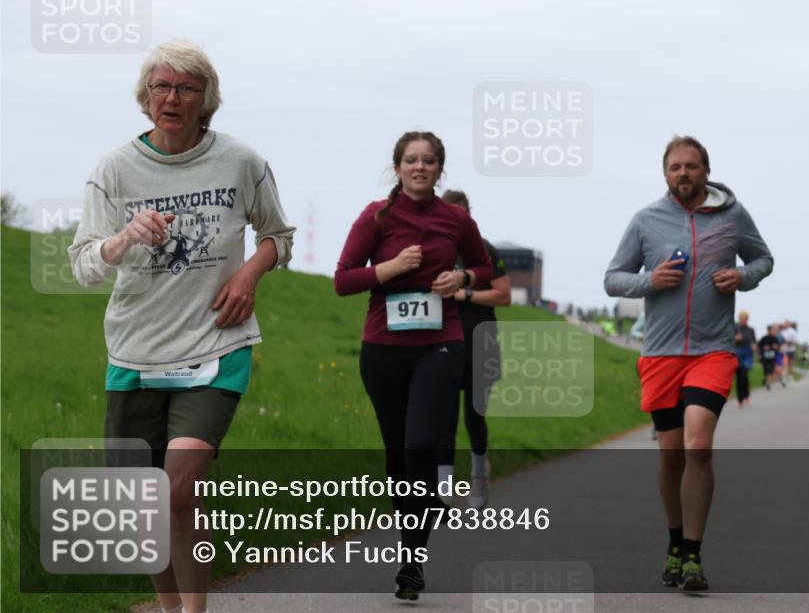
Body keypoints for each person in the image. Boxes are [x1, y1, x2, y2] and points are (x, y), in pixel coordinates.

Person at [68, 39, 295, 613]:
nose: (172, 98)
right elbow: (84, 265)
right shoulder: (114, 169)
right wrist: (124, 237)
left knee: (178, 488)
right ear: (145, 97)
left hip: (216, 344)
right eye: (161, 87)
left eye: (187, 88)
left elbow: (279, 236)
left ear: (206, 99)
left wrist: (248, 275)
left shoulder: (241, 162)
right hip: (136, 351)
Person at [604, 135, 773, 591]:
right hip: (660, 354)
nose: (683, 173)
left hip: (712, 350)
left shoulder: (733, 216)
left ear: (706, 171)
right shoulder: (646, 220)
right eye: (676, 167)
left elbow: (763, 259)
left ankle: (694, 556)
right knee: (672, 454)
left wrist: (743, 275)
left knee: (698, 445)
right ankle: (675, 542)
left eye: (692, 166)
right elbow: (613, 280)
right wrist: (650, 280)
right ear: (665, 173)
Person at [334, 132, 493, 600]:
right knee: (399, 454)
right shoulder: (376, 217)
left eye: (428, 161)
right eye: (411, 160)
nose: (419, 167)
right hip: (383, 348)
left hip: (440, 344)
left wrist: (461, 277)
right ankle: (411, 533)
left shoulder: (456, 219)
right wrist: (392, 268)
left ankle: (412, 560)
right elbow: (343, 280)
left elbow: (484, 268)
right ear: (398, 167)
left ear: (440, 169)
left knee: (421, 445)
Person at [436, 189, 512, 510]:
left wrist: (466, 295)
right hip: (444, 344)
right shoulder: (435, 251)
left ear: (469, 216)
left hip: (482, 344)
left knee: (474, 417)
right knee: (445, 418)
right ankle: (443, 489)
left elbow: (504, 296)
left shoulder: (485, 250)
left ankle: (480, 475)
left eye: (461, 217)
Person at [734, 311, 756, 407]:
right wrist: (735, 338)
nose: (743, 320)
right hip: (737, 353)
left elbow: (754, 341)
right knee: (740, 376)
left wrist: (754, 346)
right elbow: (727, 340)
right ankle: (740, 400)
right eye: (741, 318)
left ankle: (746, 395)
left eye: (745, 318)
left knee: (744, 375)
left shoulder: (751, 330)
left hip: (748, 355)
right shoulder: (735, 328)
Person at [758, 324, 780, 390]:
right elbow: (759, 346)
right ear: (769, 331)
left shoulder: (775, 338)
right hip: (765, 356)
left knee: (771, 370)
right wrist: (764, 347)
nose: (774, 332)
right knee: (765, 369)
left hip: (772, 356)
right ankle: (766, 380)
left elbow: (778, 346)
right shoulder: (764, 338)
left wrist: (776, 347)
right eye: (772, 330)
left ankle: (768, 383)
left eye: (774, 330)